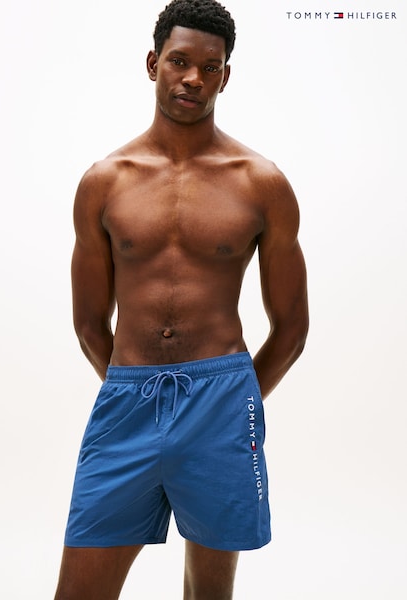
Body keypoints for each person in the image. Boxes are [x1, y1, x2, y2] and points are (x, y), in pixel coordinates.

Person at [54, 0, 308, 598]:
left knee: (208, 594)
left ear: (225, 76)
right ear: (153, 64)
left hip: (223, 403)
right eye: (179, 61)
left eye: (210, 67)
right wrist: (136, 387)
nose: (194, 77)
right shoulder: (105, 181)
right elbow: (89, 323)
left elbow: (292, 329)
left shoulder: (261, 183)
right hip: (127, 403)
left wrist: (232, 402)